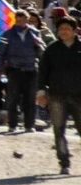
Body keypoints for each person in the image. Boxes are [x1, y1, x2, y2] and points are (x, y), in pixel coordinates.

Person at [37, 17, 81, 174]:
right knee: (59, 129)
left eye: (67, 29)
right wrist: (41, 91)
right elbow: (42, 72)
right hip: (57, 96)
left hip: (79, 96)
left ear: (74, 30)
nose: (63, 31)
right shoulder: (52, 49)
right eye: (61, 29)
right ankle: (64, 162)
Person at [0, 10, 44, 132]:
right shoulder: (6, 35)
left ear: (27, 20)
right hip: (14, 70)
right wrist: (0, 70)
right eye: (18, 20)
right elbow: (0, 54)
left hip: (31, 69)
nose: (20, 22)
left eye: (22, 20)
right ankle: (12, 125)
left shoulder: (35, 33)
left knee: (30, 99)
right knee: (12, 99)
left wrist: (39, 45)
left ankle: (29, 125)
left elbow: (41, 53)